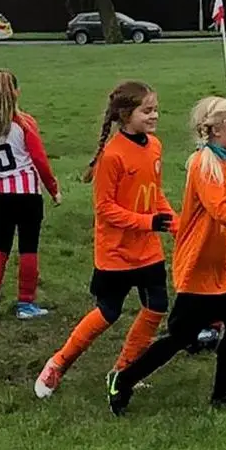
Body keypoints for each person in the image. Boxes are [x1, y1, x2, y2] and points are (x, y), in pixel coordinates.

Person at [108, 97, 226, 414]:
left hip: (215, 267)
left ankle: (222, 394)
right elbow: (220, 211)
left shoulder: (222, 164)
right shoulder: (204, 165)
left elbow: (218, 221)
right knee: (180, 337)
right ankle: (123, 380)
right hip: (196, 268)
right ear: (219, 129)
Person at [35, 82, 175, 399]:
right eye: (147, 110)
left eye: (156, 109)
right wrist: (146, 222)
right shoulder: (111, 156)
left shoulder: (154, 146)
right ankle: (59, 362)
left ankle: (124, 371)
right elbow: (105, 209)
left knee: (157, 307)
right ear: (126, 115)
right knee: (108, 312)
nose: (155, 116)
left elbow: (155, 192)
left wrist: (173, 220)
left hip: (148, 250)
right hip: (116, 253)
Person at [0, 70, 60, 321]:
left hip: (0, 198)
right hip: (27, 195)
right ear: (17, 91)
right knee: (28, 247)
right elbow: (40, 161)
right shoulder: (25, 124)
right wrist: (53, 189)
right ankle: (25, 303)